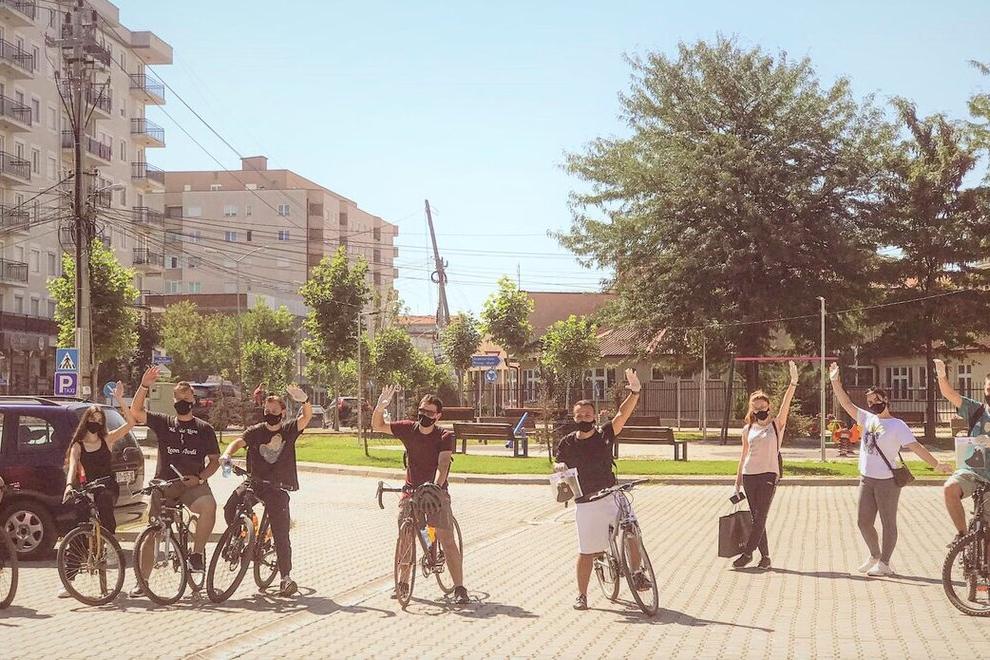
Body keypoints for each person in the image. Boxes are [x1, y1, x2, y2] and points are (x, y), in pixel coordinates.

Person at [829, 364, 952, 576]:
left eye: (876, 400)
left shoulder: (898, 425)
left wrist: (936, 464)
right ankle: (875, 555)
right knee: (863, 521)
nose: (873, 404)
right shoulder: (867, 418)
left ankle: (885, 563)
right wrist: (834, 381)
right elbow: (846, 402)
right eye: (869, 402)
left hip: (887, 481)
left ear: (886, 400)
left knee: (888, 523)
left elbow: (916, 447)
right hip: (866, 479)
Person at [553, 368, 647, 611]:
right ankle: (582, 595)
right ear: (574, 418)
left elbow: (622, 414)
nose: (584, 418)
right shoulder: (567, 442)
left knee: (631, 531)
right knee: (587, 551)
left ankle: (637, 573)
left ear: (594, 416)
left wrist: (635, 392)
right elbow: (558, 466)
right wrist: (559, 468)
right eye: (579, 415)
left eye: (587, 414)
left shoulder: (605, 434)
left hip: (612, 494)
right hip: (586, 502)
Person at [371, 387, 470, 605]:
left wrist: (435, 487)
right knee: (406, 536)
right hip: (412, 491)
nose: (424, 415)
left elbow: (443, 464)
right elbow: (378, 426)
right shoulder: (409, 429)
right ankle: (403, 583)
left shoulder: (444, 436)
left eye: (430, 412)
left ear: (438, 416)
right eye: (422, 411)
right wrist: (380, 407)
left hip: (435, 491)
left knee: (446, 538)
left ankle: (460, 588)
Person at [129, 366, 221, 598]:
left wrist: (200, 478)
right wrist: (144, 385)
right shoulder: (164, 422)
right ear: (173, 401)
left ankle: (196, 555)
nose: (183, 402)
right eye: (179, 399)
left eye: (187, 399)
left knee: (209, 506)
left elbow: (214, 462)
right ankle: (142, 581)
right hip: (164, 485)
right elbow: (136, 411)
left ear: (194, 400)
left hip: (192, 484)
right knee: (152, 532)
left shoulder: (204, 429)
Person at [221, 385, 312, 597]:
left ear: (282, 413)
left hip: (277, 488)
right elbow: (238, 441)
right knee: (230, 507)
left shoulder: (288, 430)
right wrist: (227, 454)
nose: (270, 414)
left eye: (274, 411)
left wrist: (305, 401)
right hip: (255, 483)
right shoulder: (256, 431)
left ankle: (285, 578)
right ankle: (242, 537)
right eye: (267, 411)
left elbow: (306, 417)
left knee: (281, 532)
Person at [58, 382, 135, 598]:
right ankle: (70, 578)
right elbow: (73, 466)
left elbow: (130, 423)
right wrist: (69, 486)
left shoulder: (107, 440)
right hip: (86, 487)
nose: (96, 423)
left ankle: (109, 544)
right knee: (79, 526)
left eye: (99, 420)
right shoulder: (78, 445)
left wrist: (120, 399)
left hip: (106, 484)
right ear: (86, 421)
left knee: (105, 505)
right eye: (92, 419)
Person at [731, 361, 799, 570]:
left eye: (763, 406)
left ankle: (747, 554)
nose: (760, 410)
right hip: (749, 475)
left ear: (768, 406)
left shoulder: (776, 425)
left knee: (761, 516)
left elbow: (786, 404)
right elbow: (743, 456)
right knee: (756, 518)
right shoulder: (747, 429)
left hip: (769, 475)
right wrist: (736, 484)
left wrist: (793, 382)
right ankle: (766, 557)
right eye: (756, 407)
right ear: (752, 409)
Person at [932, 359, 990, 543]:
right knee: (950, 488)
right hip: (972, 471)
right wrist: (942, 375)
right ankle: (963, 536)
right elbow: (949, 394)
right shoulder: (977, 410)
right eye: (989, 389)